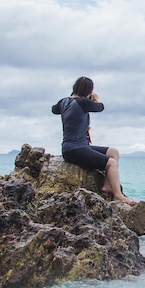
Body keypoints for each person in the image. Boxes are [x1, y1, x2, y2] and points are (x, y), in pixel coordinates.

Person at [52, 76, 136, 205]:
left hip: (76, 147)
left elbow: (54, 109)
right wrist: (96, 98)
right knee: (112, 163)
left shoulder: (64, 102)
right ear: (88, 91)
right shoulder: (83, 102)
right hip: (75, 149)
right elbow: (100, 107)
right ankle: (118, 195)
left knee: (114, 152)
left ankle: (107, 186)